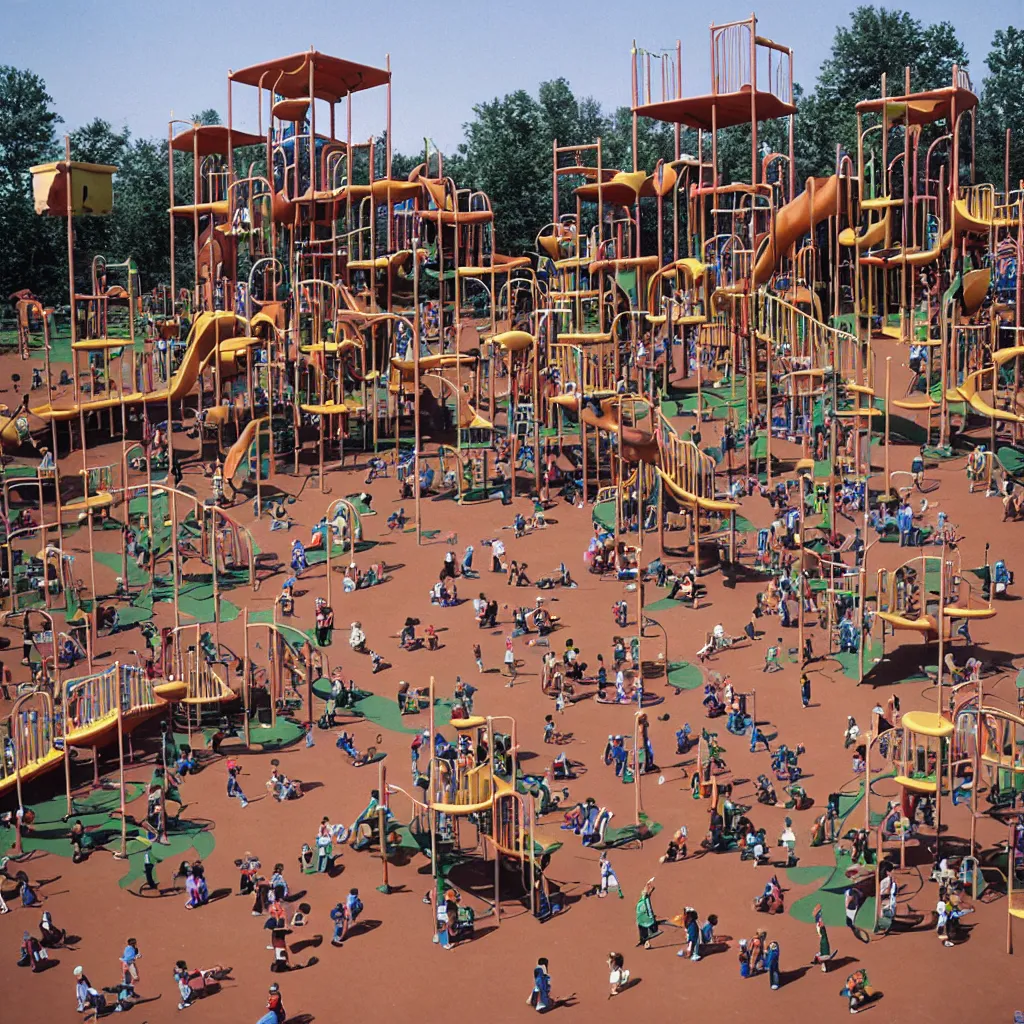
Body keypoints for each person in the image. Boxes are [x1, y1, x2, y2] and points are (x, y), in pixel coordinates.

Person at [635, 879, 659, 949]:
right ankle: (642, 941)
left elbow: (649, 909)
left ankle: (647, 943)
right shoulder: (644, 898)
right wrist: (649, 885)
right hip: (641, 918)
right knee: (642, 930)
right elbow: (646, 891)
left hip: (646, 918)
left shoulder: (645, 899)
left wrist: (648, 884)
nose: (642, 892)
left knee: (647, 930)